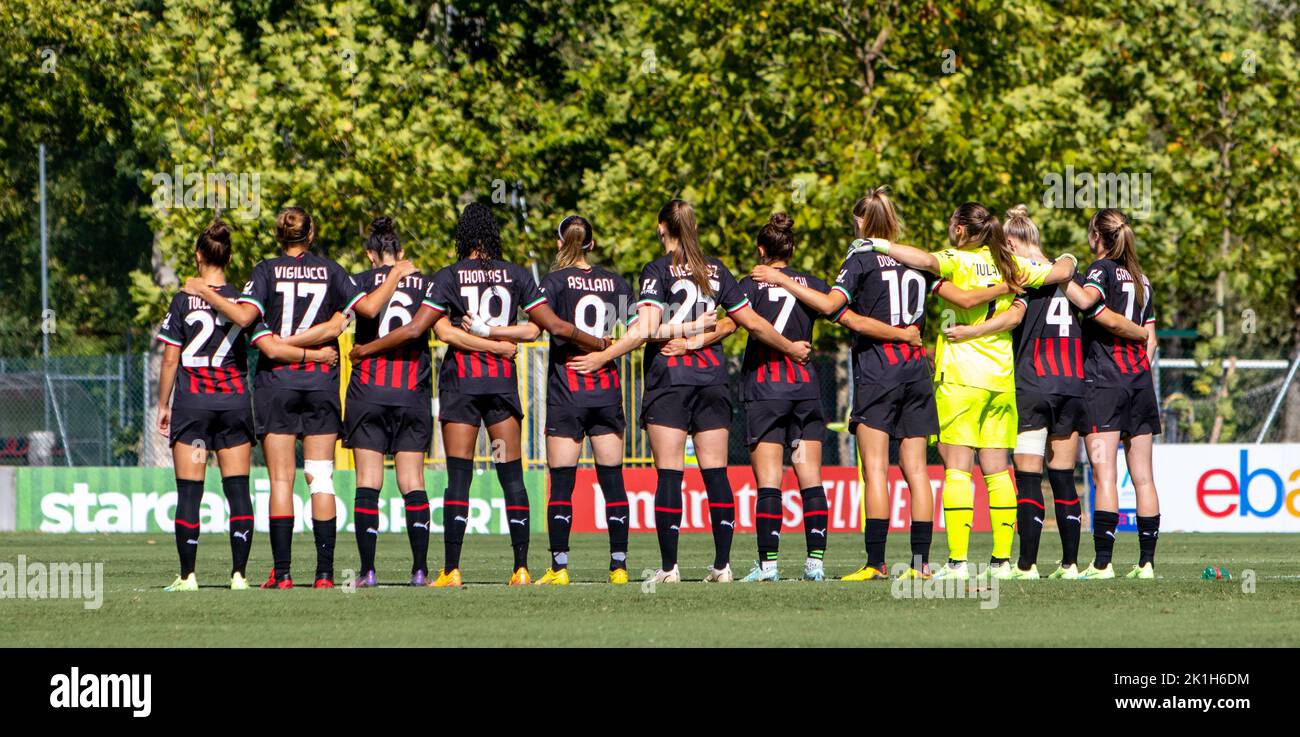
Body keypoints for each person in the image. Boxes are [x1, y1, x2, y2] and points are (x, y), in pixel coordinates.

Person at [755, 189, 1006, 580]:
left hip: (878, 372)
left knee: (875, 470)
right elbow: (965, 297)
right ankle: (922, 564)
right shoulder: (916, 260)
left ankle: (875, 563)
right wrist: (1007, 286)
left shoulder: (860, 259)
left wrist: (779, 279)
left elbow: (830, 307)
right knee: (918, 472)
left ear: (861, 223)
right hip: (916, 374)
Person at [350, 202, 605, 587]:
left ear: (463, 236)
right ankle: (521, 568)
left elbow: (437, 331)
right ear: (494, 235)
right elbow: (540, 329)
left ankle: (451, 569)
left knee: (459, 478)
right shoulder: (516, 275)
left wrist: (480, 337)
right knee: (511, 477)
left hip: (462, 389)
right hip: (500, 388)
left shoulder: (449, 276)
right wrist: (595, 341)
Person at [568, 199, 811, 584]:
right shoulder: (717, 270)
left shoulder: (657, 270)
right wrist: (791, 346)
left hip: (671, 382)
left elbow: (646, 330)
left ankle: (669, 569)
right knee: (716, 475)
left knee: (669, 476)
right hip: (712, 379)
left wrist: (604, 356)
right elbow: (753, 324)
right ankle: (723, 566)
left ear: (662, 226)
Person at [187, 207, 412, 588]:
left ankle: (284, 573)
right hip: (322, 381)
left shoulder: (265, 270)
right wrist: (394, 274)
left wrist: (201, 290)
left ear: (280, 236)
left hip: (277, 383)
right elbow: (371, 308)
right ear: (311, 234)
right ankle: (325, 575)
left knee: (281, 481)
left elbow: (244, 318)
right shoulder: (331, 270)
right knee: (321, 479)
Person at [862, 202, 1078, 580]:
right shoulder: (1010, 263)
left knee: (958, 471)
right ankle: (1000, 563)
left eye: (951, 222)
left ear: (961, 229)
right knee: (997, 473)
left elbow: (923, 259)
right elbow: (1063, 270)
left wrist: (877, 245)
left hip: (961, 376)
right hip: (1000, 379)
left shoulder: (956, 260)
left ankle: (959, 563)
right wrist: (1067, 256)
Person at [943, 205, 1147, 579]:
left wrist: (971, 332)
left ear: (1010, 242)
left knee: (1027, 476)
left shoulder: (1027, 280)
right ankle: (1070, 564)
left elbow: (1015, 317)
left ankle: (1026, 564)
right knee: (1063, 475)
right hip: (1072, 386)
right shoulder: (1070, 276)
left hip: (1033, 385)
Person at [158, 220, 338, 591]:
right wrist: (316, 355)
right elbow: (269, 344)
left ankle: (188, 576)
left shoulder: (183, 299)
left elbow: (170, 359)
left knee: (190, 492)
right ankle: (239, 575)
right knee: (237, 490)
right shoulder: (244, 301)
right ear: (229, 256)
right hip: (234, 405)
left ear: (197, 255)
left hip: (193, 407)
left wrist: (164, 403)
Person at [343, 216, 457, 588]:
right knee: (413, 480)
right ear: (402, 252)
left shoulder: (359, 281)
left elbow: (352, 318)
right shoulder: (425, 283)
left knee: (368, 482)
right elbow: (442, 331)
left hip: (367, 393)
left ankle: (368, 572)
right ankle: (420, 570)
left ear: (370, 254)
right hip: (412, 393)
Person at [523, 216, 637, 585]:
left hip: (567, 391)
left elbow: (544, 327)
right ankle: (619, 567)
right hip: (605, 389)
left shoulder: (553, 282)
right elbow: (639, 328)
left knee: (562, 484)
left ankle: (559, 568)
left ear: (560, 244)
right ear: (592, 244)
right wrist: (606, 349)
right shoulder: (615, 281)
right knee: (613, 482)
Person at [1075, 208, 1161, 579]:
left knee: (1104, 476)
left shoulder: (1100, 269)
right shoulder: (1142, 279)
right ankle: (1146, 564)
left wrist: (1064, 278)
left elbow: (1091, 305)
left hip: (1105, 381)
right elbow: (1151, 339)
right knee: (1144, 477)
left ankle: (1103, 563)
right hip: (1140, 380)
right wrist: (1138, 364)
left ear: (1097, 236)